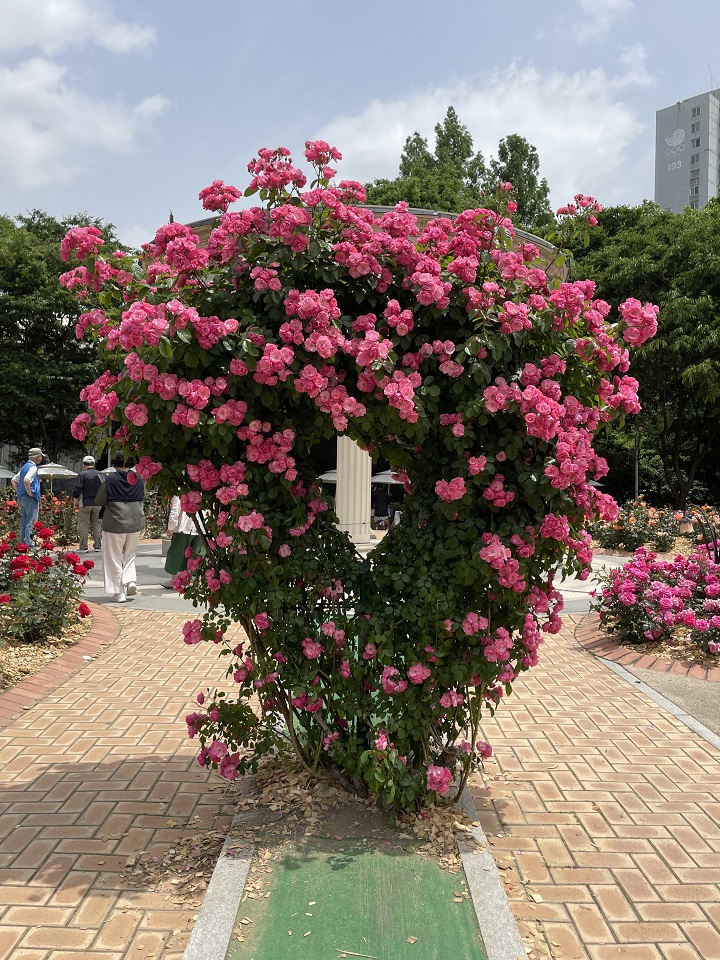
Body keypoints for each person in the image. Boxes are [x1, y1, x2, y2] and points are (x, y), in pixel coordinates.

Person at [95, 455, 146, 603]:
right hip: (135, 522)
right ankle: (130, 581)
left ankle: (118, 593)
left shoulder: (110, 479)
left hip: (114, 522)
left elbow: (99, 500)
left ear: (114, 465)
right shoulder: (138, 479)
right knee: (129, 554)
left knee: (113, 557)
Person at [162, 495, 205, 588]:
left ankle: (176, 581)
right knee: (198, 556)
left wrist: (171, 527)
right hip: (200, 528)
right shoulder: (201, 492)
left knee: (177, 555)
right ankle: (199, 581)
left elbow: (175, 510)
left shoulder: (179, 492)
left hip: (183, 528)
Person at [71, 455, 103, 552]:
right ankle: (98, 546)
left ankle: (83, 547)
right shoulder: (100, 474)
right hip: (98, 503)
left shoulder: (82, 475)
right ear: (94, 464)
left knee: (83, 525)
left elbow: (77, 488)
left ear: (84, 465)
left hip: (85, 503)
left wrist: (75, 500)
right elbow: (104, 487)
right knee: (97, 525)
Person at [17, 447, 44, 548]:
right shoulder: (33, 468)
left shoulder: (24, 467)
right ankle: (29, 542)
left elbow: (14, 480)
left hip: (22, 498)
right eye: (40, 456)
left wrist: (20, 491)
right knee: (31, 520)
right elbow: (26, 480)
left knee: (24, 520)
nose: (41, 458)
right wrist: (29, 493)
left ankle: (22, 542)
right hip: (30, 498)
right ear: (38, 457)